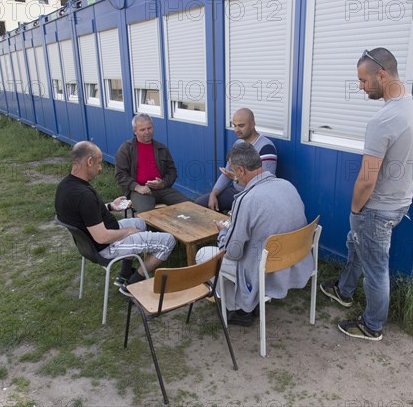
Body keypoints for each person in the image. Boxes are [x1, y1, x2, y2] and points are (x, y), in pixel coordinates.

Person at [320, 48, 413, 341]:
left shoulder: (383, 120)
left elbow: (367, 179)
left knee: (375, 268)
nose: (360, 87)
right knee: (360, 247)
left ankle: (372, 325)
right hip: (401, 202)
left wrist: (356, 210)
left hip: (377, 208)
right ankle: (343, 290)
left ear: (381, 74)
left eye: (363, 80)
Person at [195, 142, 313, 326]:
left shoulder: (246, 199)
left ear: (241, 170)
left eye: (234, 173)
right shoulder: (287, 185)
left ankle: (238, 307)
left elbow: (233, 252)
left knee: (203, 255)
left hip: (265, 268)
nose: (234, 178)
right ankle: (245, 303)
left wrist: (224, 232)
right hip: (293, 261)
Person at [55, 141, 176, 296]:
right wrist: (128, 232)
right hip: (106, 247)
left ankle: (124, 274)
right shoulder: (84, 195)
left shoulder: (65, 185)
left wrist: (110, 207)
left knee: (141, 222)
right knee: (168, 241)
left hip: (92, 241)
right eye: (99, 163)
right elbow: (102, 237)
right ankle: (132, 283)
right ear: (89, 162)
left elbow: (84, 214)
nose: (100, 168)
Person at [195, 108, 277, 212]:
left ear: (253, 124)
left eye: (241, 125)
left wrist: (236, 178)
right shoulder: (238, 143)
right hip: (235, 192)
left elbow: (265, 183)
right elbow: (227, 172)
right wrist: (213, 193)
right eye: (234, 125)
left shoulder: (266, 147)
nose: (236, 130)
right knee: (200, 203)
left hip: (253, 196)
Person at [115, 113, 189, 213]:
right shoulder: (126, 149)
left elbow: (172, 172)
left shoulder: (161, 148)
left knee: (188, 206)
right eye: (142, 129)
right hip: (139, 191)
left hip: (162, 189)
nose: (147, 132)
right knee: (148, 214)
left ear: (153, 127)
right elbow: (120, 175)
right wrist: (137, 187)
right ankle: (153, 229)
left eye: (149, 128)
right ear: (134, 131)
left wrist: (163, 183)